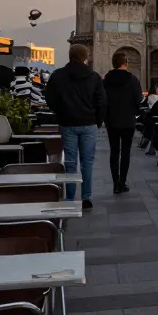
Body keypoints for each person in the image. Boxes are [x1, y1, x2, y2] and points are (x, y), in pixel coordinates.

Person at [45, 44, 106, 209]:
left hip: (68, 123)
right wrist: (97, 120)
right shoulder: (94, 77)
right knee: (87, 161)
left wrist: (60, 111)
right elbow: (101, 102)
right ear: (85, 57)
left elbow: (49, 97)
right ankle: (86, 197)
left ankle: (71, 197)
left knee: (71, 162)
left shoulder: (58, 75)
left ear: (70, 55)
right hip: (89, 124)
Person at [102, 50, 144, 194]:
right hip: (128, 120)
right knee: (125, 152)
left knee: (114, 152)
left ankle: (115, 184)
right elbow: (139, 100)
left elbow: (102, 99)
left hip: (111, 120)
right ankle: (122, 182)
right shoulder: (133, 80)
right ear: (125, 63)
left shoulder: (106, 80)